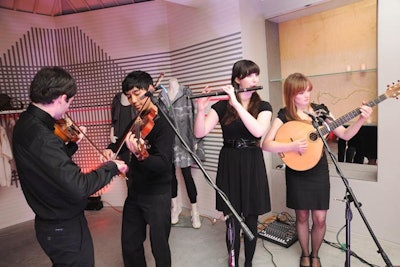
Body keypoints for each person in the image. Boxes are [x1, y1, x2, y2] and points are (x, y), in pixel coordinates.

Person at [12, 66, 128, 267]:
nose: (68, 110)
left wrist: (73, 144)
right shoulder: (43, 136)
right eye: (69, 103)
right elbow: (79, 186)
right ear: (61, 98)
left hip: (51, 222)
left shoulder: (25, 123)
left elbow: (50, 166)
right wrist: (111, 167)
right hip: (62, 227)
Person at [261, 72, 372, 267]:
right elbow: (266, 144)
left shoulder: (321, 111)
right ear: (291, 94)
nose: (306, 95)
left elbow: (345, 134)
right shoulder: (285, 114)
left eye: (308, 91)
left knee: (319, 219)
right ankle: (305, 254)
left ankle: (316, 254)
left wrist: (361, 119)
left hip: (318, 170)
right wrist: (291, 147)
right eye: (301, 92)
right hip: (297, 171)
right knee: (302, 216)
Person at [194, 59, 272, 267]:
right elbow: (199, 132)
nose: (255, 78)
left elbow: (257, 131)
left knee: (251, 219)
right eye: (249, 74)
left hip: (252, 162)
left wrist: (236, 103)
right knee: (232, 218)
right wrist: (201, 109)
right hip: (229, 162)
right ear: (237, 79)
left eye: (256, 74)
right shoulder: (221, 106)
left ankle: (249, 263)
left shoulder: (263, 106)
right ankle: (233, 262)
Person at [103, 70, 175, 267]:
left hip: (158, 194)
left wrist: (140, 155)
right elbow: (119, 142)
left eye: (136, 93)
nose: (133, 100)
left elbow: (162, 163)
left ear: (150, 89)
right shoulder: (136, 121)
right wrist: (110, 150)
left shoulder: (164, 124)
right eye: (128, 96)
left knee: (159, 246)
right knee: (130, 243)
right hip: (135, 192)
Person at [158, 77, 201, 228]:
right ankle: (175, 208)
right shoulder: (161, 96)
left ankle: (195, 211)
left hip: (184, 140)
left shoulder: (186, 93)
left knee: (187, 176)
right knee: (170, 177)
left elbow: (194, 116)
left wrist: (195, 140)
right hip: (167, 142)